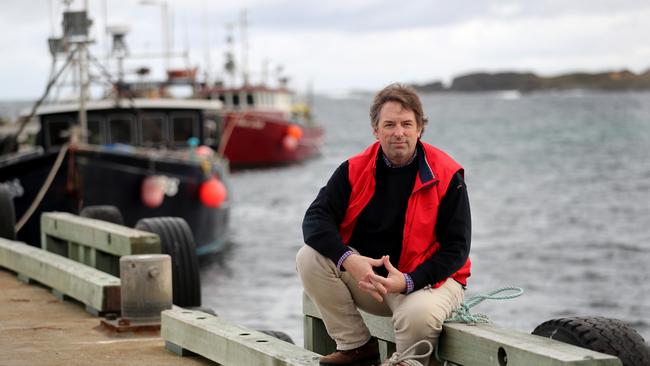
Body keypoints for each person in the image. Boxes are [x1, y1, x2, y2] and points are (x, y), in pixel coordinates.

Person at [296, 83, 471, 366]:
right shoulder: (354, 169)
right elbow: (315, 220)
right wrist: (349, 259)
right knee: (309, 257)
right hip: (372, 281)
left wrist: (408, 281)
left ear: (420, 129)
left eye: (406, 124)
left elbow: (457, 250)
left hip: (427, 283)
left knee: (417, 317)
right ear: (376, 131)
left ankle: (404, 363)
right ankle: (357, 349)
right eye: (389, 124)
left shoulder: (448, 175)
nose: (398, 132)